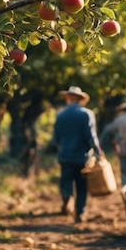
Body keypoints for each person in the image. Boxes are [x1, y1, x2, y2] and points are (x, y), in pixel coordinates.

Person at [52, 86, 104, 223]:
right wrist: (99, 152)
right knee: (81, 186)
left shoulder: (61, 115)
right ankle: (80, 213)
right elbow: (91, 136)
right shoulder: (86, 114)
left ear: (68, 98)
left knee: (66, 181)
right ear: (80, 99)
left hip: (65, 156)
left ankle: (67, 197)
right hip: (82, 157)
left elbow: (56, 139)